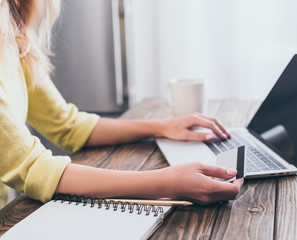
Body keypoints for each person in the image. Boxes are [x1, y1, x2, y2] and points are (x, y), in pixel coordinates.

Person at [0, 0, 243, 209]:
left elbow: (68, 125)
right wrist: (167, 183)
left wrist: (162, 127)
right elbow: (33, 167)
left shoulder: (15, 39)